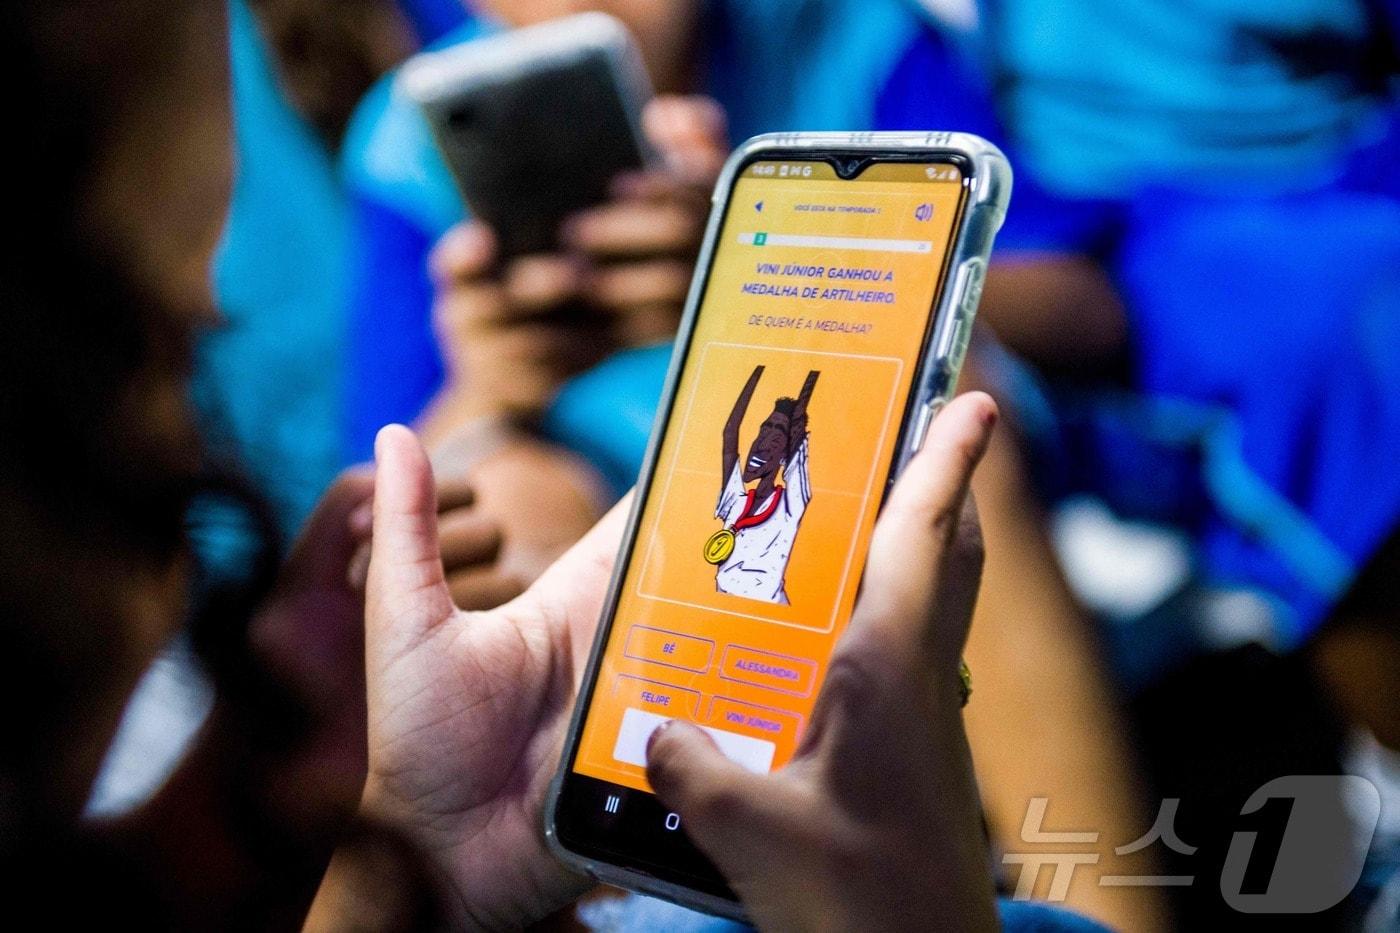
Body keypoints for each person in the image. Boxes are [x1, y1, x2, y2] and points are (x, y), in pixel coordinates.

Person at [2, 3, 1108, 930]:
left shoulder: (843, 36)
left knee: (953, 461)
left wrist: (745, 292)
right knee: (519, 511)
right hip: (587, 479)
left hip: (788, 456)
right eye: (179, 337)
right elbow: (394, 472)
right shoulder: (409, 141)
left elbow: (1079, 295)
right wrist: (492, 383)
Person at [711, 366, 818, 605]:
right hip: (722, 606)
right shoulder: (736, 500)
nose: (762, 442)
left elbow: (797, 436)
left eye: (776, 436)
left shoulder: (791, 503)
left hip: (769, 609)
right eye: (763, 430)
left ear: (785, 456)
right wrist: (757, 367)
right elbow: (730, 433)